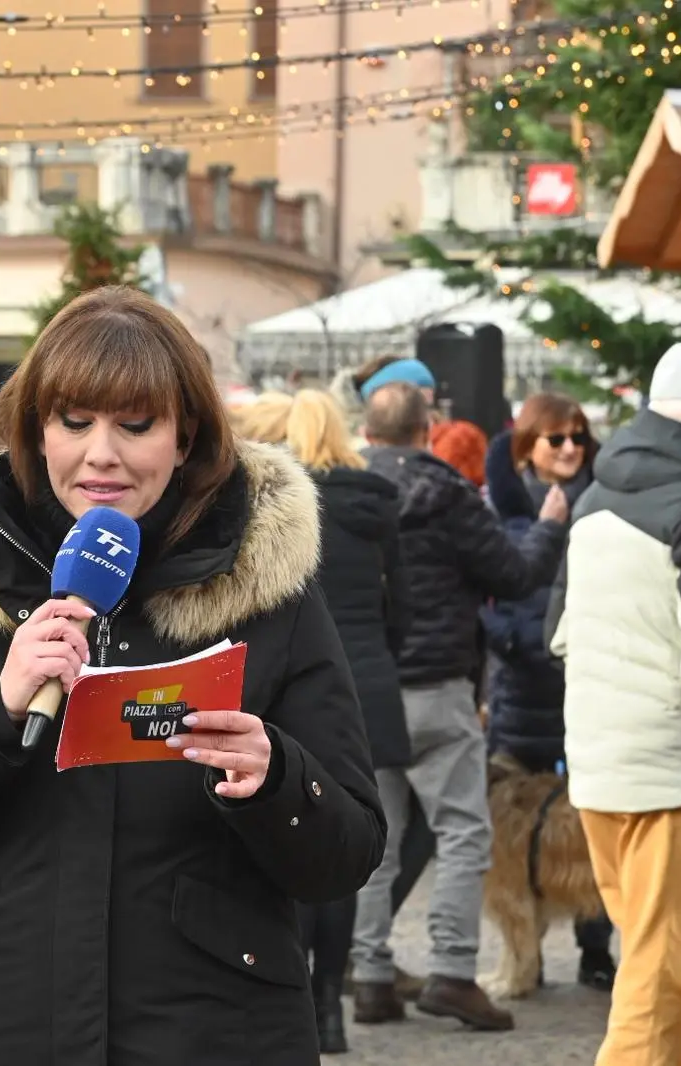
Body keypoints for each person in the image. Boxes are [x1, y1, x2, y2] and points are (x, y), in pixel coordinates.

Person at [0, 286, 385, 1065]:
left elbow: (349, 851)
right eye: (74, 422)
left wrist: (275, 777)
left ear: (185, 435)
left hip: (214, 1029)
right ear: (36, 429)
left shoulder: (269, 592)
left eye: (136, 425)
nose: (102, 454)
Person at [548, 342, 681, 1066]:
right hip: (673, 778)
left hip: (604, 773)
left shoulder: (595, 498)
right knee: (668, 994)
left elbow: (560, 634)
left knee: (651, 974)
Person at [349, 382, 569, 1032]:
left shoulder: (340, 491)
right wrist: (552, 526)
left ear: (367, 433)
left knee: (377, 842)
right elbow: (515, 574)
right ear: (428, 430)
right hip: (439, 688)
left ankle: (369, 978)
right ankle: (451, 972)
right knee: (465, 833)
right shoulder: (447, 494)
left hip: (369, 690)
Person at [236, 388, 410, 1055]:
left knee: (297, 837)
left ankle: (301, 993)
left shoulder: (269, 506)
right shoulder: (375, 502)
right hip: (365, 675)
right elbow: (405, 603)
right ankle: (331, 1006)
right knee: (347, 838)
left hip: (289, 677)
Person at [482, 393, 616, 991]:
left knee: (599, 834)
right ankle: (523, 957)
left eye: (578, 438)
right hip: (523, 709)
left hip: (591, 704)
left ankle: (596, 949)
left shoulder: (608, 514)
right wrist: (519, 639)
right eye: (556, 438)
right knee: (518, 846)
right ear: (527, 447)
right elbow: (495, 613)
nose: (569, 449)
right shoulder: (501, 521)